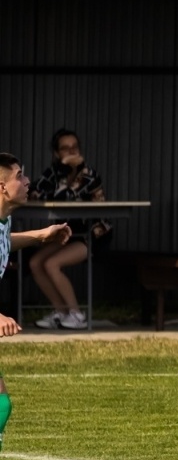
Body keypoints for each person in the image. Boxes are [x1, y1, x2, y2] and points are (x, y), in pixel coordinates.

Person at [0, 153, 73, 460]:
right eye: (20, 176)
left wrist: (41, 236)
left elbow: (3, 241)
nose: (27, 182)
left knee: (0, 406)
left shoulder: (3, 219)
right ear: (2, 187)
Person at [27, 128, 109, 330]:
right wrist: (52, 187)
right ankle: (61, 313)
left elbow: (64, 198)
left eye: (75, 147)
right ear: (56, 153)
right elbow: (34, 193)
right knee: (36, 262)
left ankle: (77, 315)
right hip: (69, 232)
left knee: (52, 264)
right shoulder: (53, 173)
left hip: (93, 234)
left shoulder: (89, 175)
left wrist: (54, 191)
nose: (71, 152)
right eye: (65, 148)